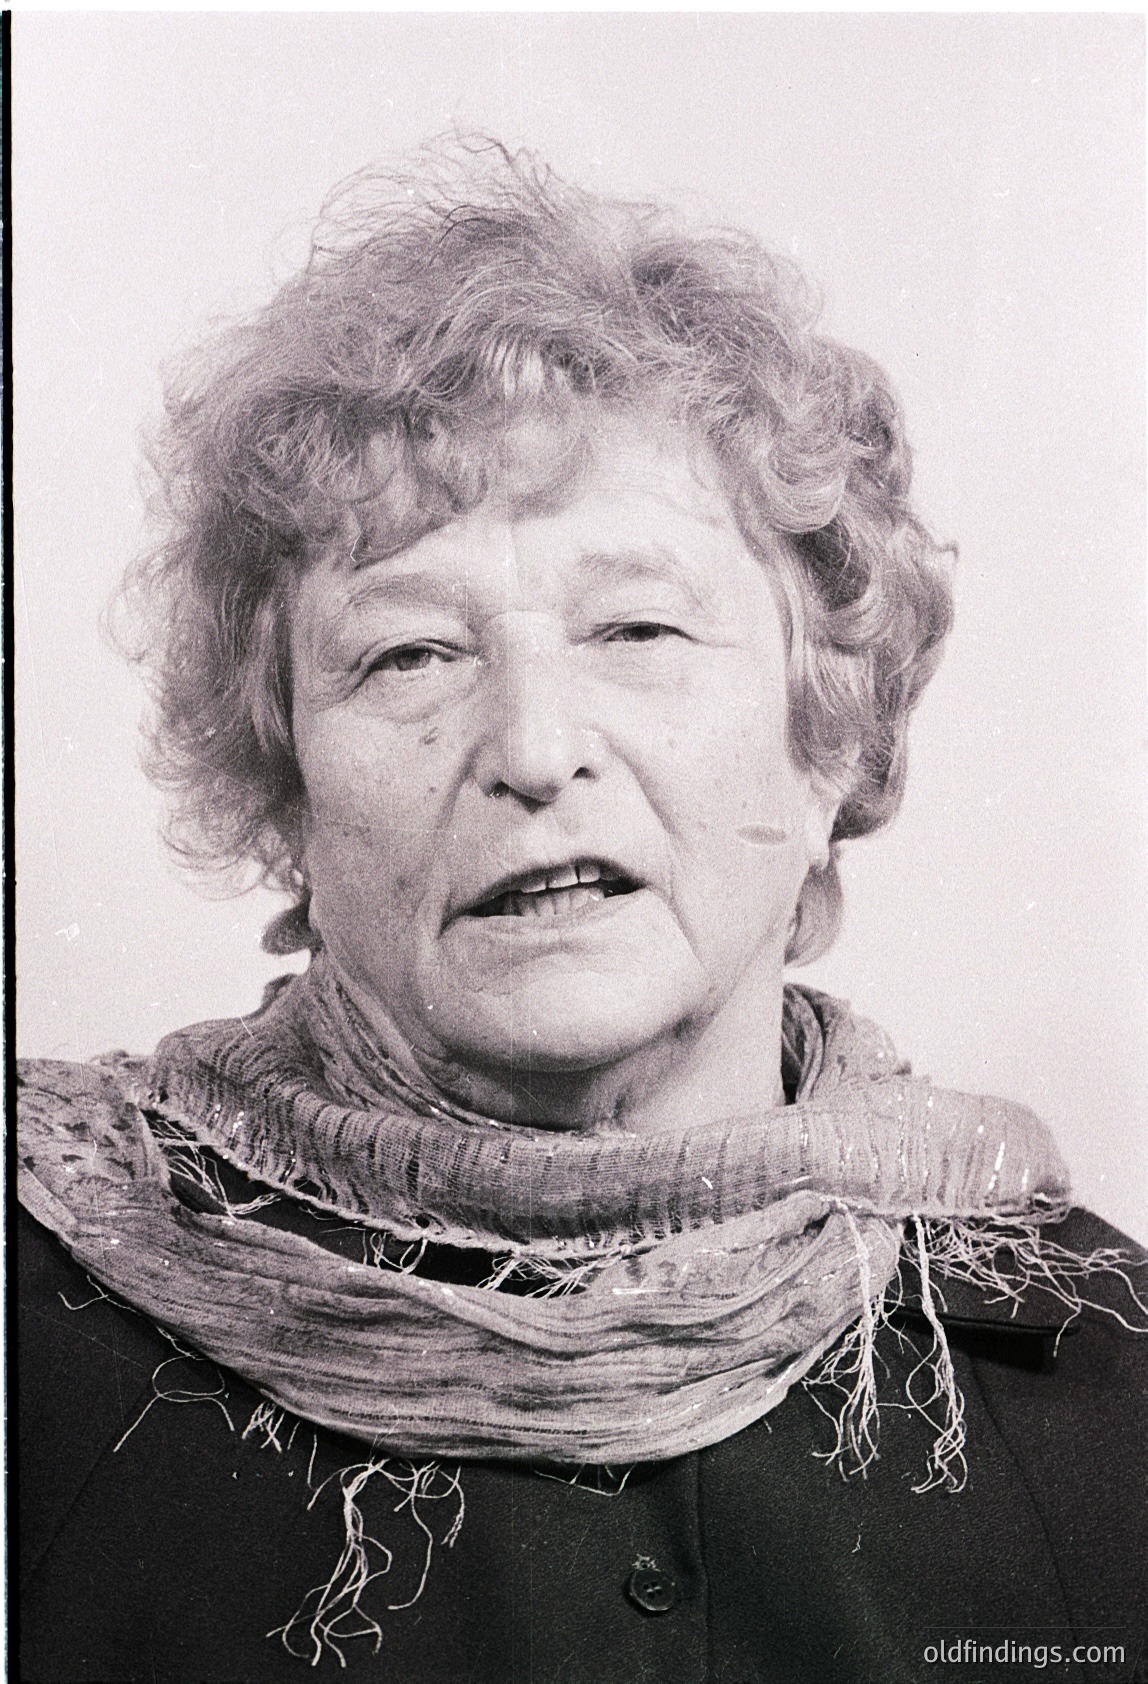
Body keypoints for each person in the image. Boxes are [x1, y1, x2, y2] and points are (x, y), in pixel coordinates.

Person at [16, 141, 1146, 1684]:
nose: (536, 749)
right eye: (408, 656)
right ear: (286, 796)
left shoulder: (1109, 1383)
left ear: (829, 743)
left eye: (639, 626)